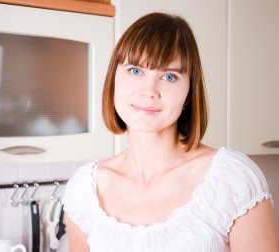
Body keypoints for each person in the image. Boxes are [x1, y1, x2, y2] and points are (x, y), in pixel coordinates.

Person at [62, 12, 279, 251]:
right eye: (135, 71)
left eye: (169, 76)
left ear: (189, 93)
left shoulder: (232, 179)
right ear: (113, 79)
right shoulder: (84, 191)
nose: (149, 91)